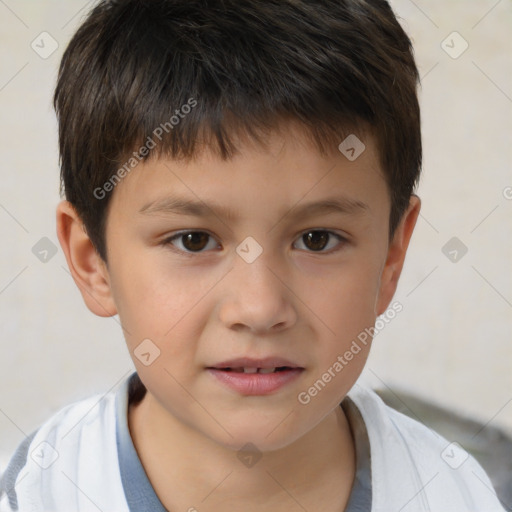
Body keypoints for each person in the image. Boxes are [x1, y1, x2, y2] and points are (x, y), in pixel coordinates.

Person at [0, 0, 506, 511]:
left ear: (392, 257)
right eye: (193, 240)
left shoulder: (455, 494)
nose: (261, 308)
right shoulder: (39, 494)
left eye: (317, 239)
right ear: (93, 262)